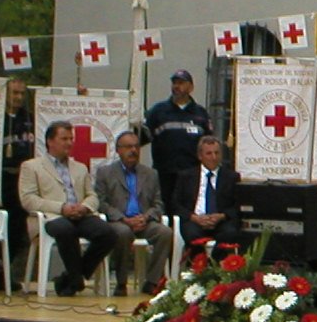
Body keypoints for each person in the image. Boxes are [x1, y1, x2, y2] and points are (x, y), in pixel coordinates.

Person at [19, 119, 116, 297]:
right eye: (64, 139)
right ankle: (75, 280)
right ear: (50, 141)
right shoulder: (31, 167)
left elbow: (92, 195)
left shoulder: (79, 167)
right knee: (65, 229)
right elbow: (28, 199)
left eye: (71, 139)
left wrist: (85, 207)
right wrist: (61, 208)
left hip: (80, 215)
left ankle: (71, 277)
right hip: (52, 216)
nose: (70, 143)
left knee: (108, 233)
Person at [93, 129, 175, 296]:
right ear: (118, 150)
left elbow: (159, 204)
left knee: (165, 232)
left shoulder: (151, 173)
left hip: (144, 221)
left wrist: (146, 217)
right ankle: (121, 282)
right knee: (122, 233)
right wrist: (123, 218)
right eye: (128, 147)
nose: (133, 151)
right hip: (119, 222)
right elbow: (101, 203)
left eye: (136, 147)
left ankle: (152, 281)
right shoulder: (105, 173)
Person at [144, 69, 211, 210]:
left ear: (191, 87)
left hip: (191, 174)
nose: (176, 86)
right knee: (164, 209)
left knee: (187, 210)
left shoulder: (201, 114)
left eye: (181, 83)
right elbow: (141, 138)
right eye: (174, 83)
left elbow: (208, 143)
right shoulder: (158, 111)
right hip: (164, 173)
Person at [172, 135, 243, 255]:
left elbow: (237, 205)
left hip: (221, 221)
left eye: (217, 153)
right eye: (209, 153)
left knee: (229, 233)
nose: (214, 157)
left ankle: (217, 268)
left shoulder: (231, 177)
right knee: (192, 235)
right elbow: (175, 204)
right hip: (195, 220)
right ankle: (198, 267)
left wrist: (221, 216)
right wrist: (194, 217)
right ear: (200, 156)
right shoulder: (186, 176)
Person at [0, 76, 34, 286]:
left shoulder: (29, 119)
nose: (19, 97)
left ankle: (5, 271)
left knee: (17, 227)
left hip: (22, 178)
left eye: (22, 93)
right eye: (15, 93)